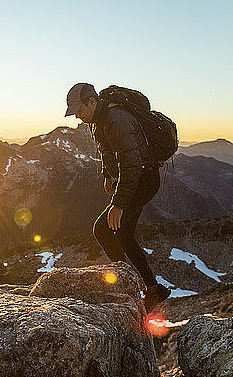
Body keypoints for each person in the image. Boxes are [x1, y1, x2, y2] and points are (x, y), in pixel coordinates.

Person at [65, 82, 171, 313]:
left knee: (105, 230)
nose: (77, 117)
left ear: (91, 101)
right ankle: (151, 289)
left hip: (143, 179)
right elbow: (106, 150)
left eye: (79, 110)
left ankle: (135, 287)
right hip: (138, 178)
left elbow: (131, 163)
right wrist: (108, 175)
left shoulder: (116, 118)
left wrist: (118, 204)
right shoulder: (99, 119)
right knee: (120, 233)